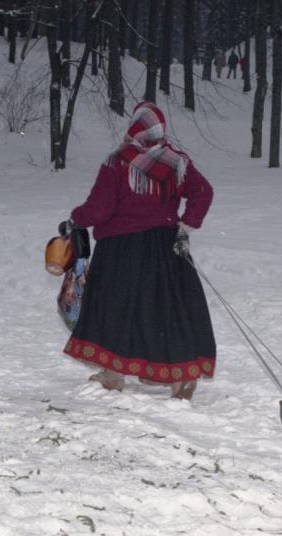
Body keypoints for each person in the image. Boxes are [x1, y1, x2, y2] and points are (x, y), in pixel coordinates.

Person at [61, 101, 215, 401]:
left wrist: (76, 218)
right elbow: (203, 192)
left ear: (134, 128)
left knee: (114, 308)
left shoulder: (118, 161)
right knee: (164, 310)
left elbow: (100, 209)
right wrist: (185, 226)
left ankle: (112, 374)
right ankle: (179, 377)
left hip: (121, 249)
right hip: (164, 248)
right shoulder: (176, 161)